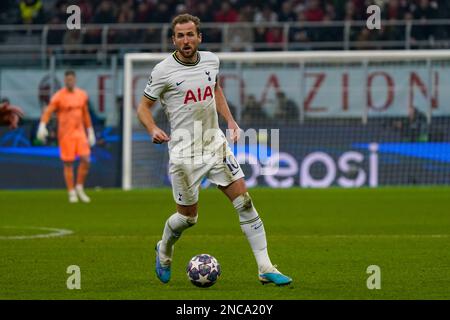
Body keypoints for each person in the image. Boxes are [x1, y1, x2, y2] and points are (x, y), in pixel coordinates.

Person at [137, 14, 292, 286]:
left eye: (190, 34)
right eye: (180, 36)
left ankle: (265, 267)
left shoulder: (211, 60)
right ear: (173, 40)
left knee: (244, 202)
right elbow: (143, 108)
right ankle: (163, 248)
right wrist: (152, 129)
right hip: (185, 154)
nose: (186, 40)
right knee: (188, 219)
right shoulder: (163, 71)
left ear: (199, 37)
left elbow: (215, 89)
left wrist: (230, 120)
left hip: (215, 145)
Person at [36, 70, 96, 203]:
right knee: (68, 163)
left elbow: (85, 114)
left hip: (79, 132)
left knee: (86, 159)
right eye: (67, 80)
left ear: (75, 80)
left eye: (71, 79)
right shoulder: (59, 96)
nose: (69, 81)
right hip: (66, 134)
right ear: (65, 81)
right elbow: (48, 111)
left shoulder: (81, 95)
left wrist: (90, 131)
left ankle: (79, 186)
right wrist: (42, 125)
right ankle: (71, 191)